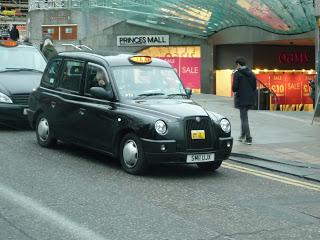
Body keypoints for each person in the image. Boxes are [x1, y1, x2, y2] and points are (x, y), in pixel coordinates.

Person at [232, 56, 257, 145]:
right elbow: (254, 87)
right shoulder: (252, 73)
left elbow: (234, 88)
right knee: (243, 116)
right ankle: (242, 136)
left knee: (244, 119)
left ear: (238, 64)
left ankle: (248, 138)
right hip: (250, 99)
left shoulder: (237, 74)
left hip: (241, 99)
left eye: (236, 65)